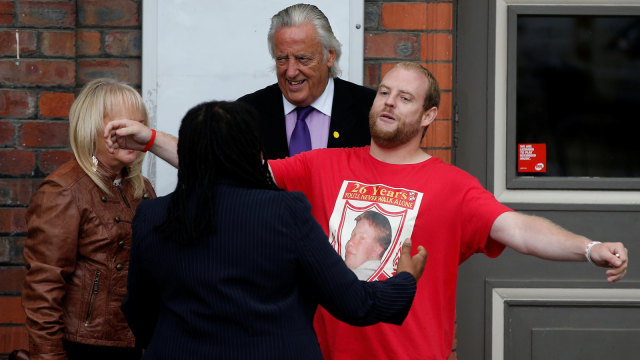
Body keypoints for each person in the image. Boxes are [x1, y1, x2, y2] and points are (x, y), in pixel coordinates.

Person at [103, 62, 629, 360]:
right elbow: (233, 169)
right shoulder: (323, 164)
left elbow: (518, 229)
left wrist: (587, 249)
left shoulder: (453, 185)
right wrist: (150, 139)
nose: (388, 102)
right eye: (383, 92)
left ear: (428, 116)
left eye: (405, 97)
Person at [120, 100, 427, 360]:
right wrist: (405, 280)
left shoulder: (153, 215)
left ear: (187, 153)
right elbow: (354, 302)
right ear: (250, 150)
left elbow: (139, 311)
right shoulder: (285, 213)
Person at [22, 78, 156, 360]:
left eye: (140, 124)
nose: (134, 132)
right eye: (123, 124)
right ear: (93, 127)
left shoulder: (140, 187)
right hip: (84, 346)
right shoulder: (64, 191)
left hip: (136, 343)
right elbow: (43, 288)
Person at [345, 211, 392, 280]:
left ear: (377, 249)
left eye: (362, 238)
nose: (350, 243)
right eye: (352, 236)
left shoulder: (355, 279)